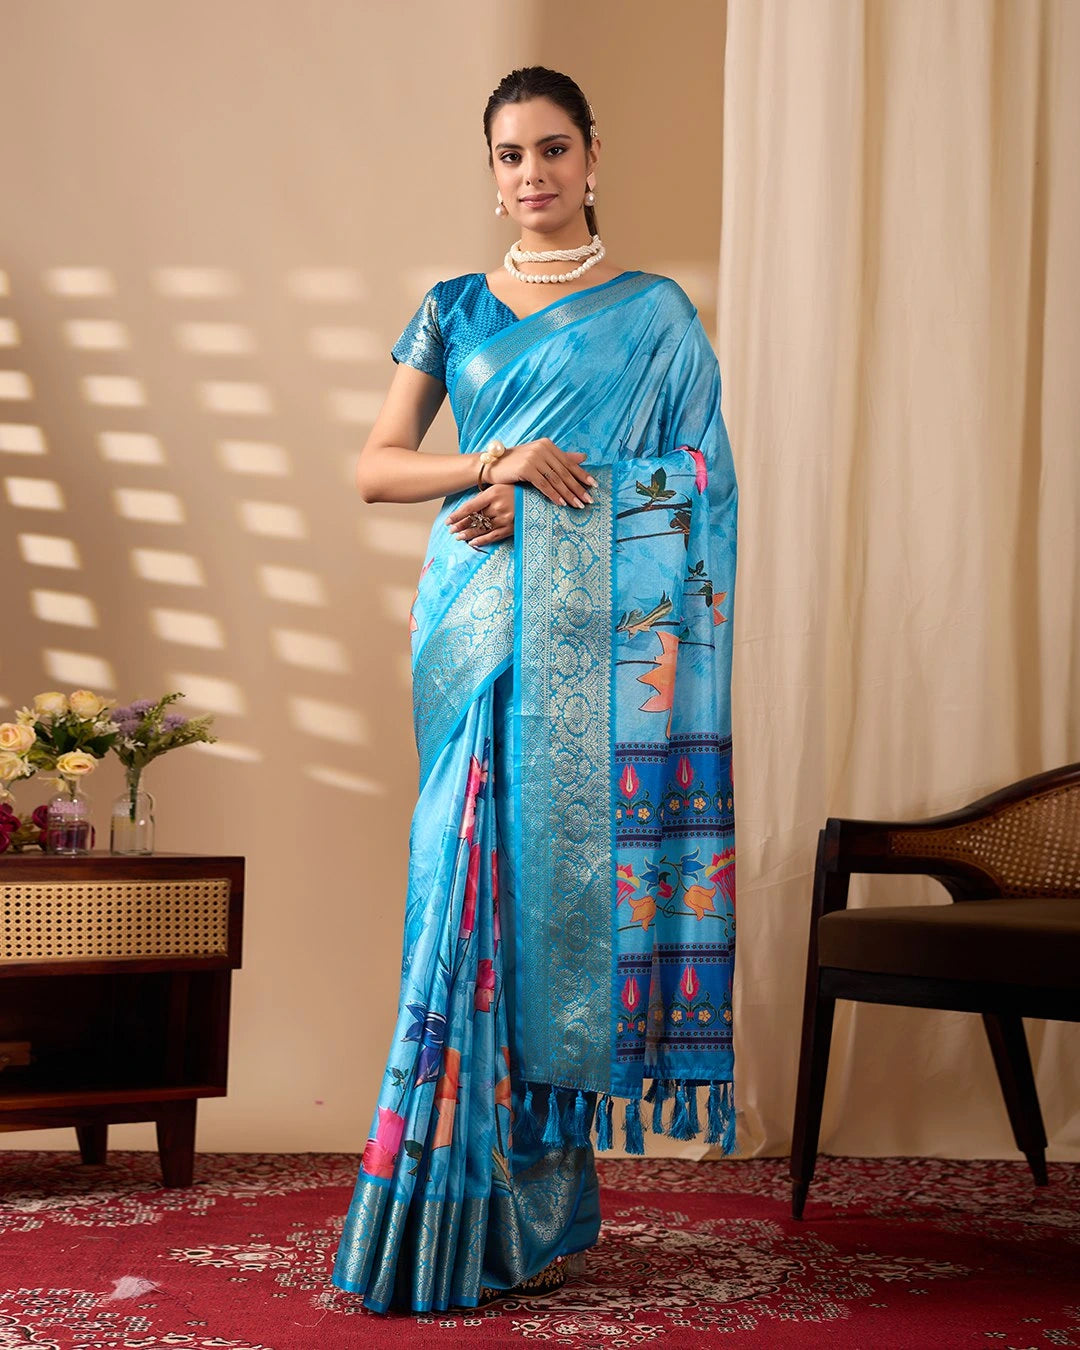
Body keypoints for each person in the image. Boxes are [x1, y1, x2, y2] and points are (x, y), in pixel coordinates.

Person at [333, 65, 737, 1315]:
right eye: (510, 156)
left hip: (592, 653)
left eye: (553, 150)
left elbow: (703, 486)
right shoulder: (453, 308)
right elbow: (376, 470)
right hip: (471, 639)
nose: (533, 176)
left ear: (595, 156)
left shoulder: (657, 314)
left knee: (545, 908)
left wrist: (569, 510)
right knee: (461, 902)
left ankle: (530, 1217)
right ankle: (440, 1208)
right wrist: (493, 463)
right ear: (493, 170)